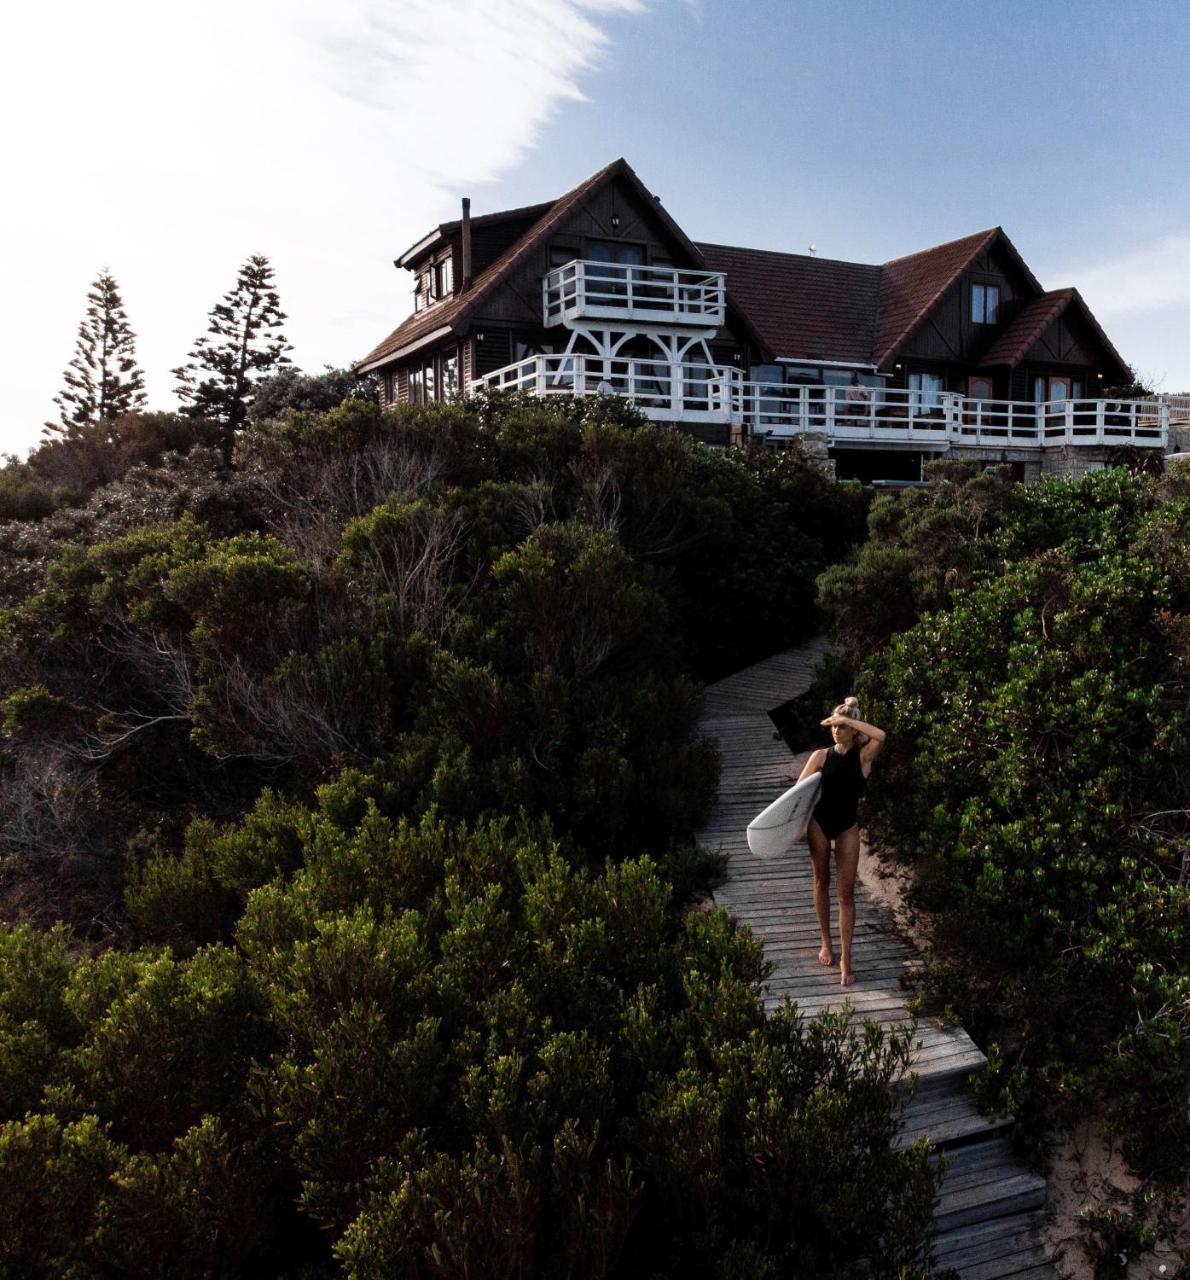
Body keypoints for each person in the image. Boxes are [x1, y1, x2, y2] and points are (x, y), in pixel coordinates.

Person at [795, 697, 886, 986]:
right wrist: (790, 828)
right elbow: (796, 795)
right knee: (821, 882)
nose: (836, 731)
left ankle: (846, 958)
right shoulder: (820, 756)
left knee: (846, 896)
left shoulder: (863, 756)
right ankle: (826, 942)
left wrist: (846, 717)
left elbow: (881, 735)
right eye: (833, 726)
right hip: (820, 824)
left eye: (842, 727)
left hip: (847, 826)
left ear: (852, 730)